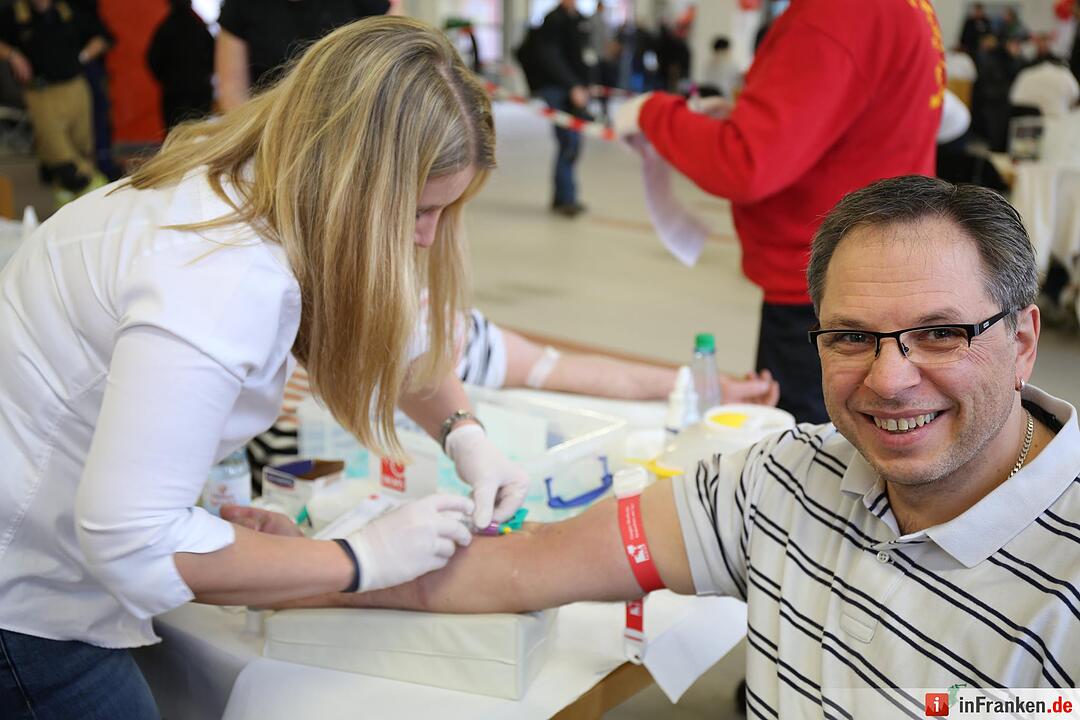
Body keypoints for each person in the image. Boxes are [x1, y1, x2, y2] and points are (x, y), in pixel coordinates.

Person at [240, 176, 1080, 705]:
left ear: (1023, 339)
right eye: (852, 337)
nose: (890, 379)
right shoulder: (783, 483)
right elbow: (520, 568)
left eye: (940, 334)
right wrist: (311, 567)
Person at [0, 17, 529, 717]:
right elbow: (130, 539)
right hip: (27, 594)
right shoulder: (217, 274)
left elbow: (396, 337)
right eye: (420, 209)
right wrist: (359, 560)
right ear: (352, 182)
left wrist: (464, 430)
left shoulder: (267, 178)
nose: (428, 236)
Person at [613, 0, 943, 424]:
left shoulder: (836, 14)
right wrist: (740, 119)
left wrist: (652, 113)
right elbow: (855, 123)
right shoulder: (902, 8)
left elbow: (748, 163)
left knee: (810, 463)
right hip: (881, 269)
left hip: (828, 288)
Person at [248, 305, 781, 475]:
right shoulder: (300, 320)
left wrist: (711, 386)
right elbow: (279, 470)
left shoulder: (446, 326)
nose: (428, 237)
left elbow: (575, 371)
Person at [0, 0, 110, 201]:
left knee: (82, 149)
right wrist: (13, 55)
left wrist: (81, 57)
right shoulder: (14, 14)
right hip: (41, 93)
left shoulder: (69, 9)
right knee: (61, 158)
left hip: (75, 88)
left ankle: (72, 202)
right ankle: (96, 192)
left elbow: (103, 37)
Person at [215, 0, 390, 112]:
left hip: (352, 119)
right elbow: (232, 88)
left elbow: (392, 62)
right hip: (269, 127)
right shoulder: (241, 6)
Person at [528, 0, 591, 217]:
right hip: (559, 89)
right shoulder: (553, 20)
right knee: (568, 142)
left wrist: (586, 84)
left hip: (576, 90)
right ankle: (567, 199)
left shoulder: (579, 20)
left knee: (571, 143)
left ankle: (562, 197)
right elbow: (550, 57)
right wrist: (572, 85)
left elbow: (583, 55)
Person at [147, 0, 215, 130]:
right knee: (199, 132)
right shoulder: (199, 27)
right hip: (199, 92)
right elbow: (215, 55)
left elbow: (153, 59)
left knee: (174, 134)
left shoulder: (165, 28)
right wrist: (205, 76)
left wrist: (166, 80)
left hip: (174, 93)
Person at [1009, 50, 1080, 118]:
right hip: (1057, 122)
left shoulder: (1025, 74)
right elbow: (1075, 96)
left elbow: (1013, 98)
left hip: (1027, 124)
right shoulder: (1064, 74)